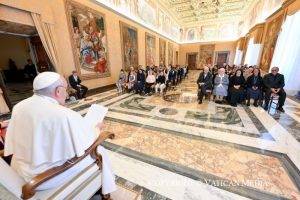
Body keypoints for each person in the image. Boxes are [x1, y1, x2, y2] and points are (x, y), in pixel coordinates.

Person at [4, 72, 116, 195]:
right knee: (100, 150)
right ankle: (105, 191)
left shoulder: (19, 107)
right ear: (58, 91)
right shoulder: (63, 115)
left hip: (21, 169)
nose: (67, 93)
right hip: (44, 177)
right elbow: (88, 140)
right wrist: (96, 129)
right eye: (66, 89)